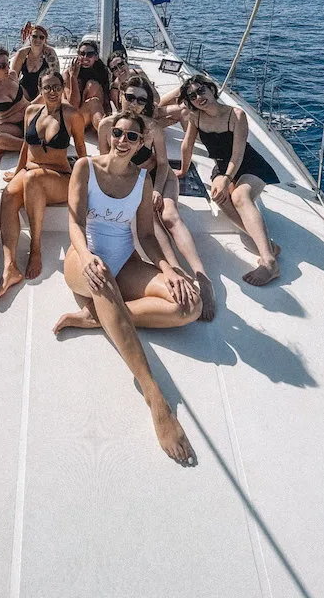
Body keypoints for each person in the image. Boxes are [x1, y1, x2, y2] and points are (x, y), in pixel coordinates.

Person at [54, 112, 202, 463]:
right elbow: (74, 221)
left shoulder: (143, 180)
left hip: (125, 262)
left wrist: (169, 270)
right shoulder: (86, 168)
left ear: (142, 143)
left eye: (131, 137)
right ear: (110, 134)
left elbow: (148, 235)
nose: (122, 141)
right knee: (101, 274)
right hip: (85, 258)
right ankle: (155, 397)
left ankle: (99, 317)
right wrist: (87, 255)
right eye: (118, 133)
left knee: (189, 306)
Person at [99, 77, 216, 320]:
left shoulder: (152, 128)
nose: (134, 104)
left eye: (141, 100)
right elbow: (106, 161)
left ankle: (203, 278)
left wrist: (156, 189)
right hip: (133, 180)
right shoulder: (107, 125)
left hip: (159, 177)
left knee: (170, 215)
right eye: (130, 97)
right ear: (120, 95)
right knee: (151, 217)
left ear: (146, 104)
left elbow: (162, 164)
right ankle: (177, 272)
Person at [177, 74, 281, 286]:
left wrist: (226, 178)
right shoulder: (195, 117)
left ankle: (269, 262)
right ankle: (266, 245)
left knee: (240, 196)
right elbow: (187, 145)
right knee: (220, 198)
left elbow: (238, 154)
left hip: (250, 165)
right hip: (223, 166)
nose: (198, 97)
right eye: (192, 95)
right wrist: (183, 170)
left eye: (201, 90)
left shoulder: (236, 115)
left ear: (211, 89)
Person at [0, 69, 86, 300]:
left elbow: (82, 153)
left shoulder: (72, 115)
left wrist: (85, 187)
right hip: (30, 172)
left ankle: (35, 249)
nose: (52, 91)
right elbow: (26, 147)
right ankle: (9, 266)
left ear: (63, 88)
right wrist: (16, 173)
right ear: (40, 90)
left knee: (33, 179)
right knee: (8, 195)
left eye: (56, 86)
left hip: (60, 177)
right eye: (47, 87)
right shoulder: (31, 111)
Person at [63, 37, 111, 131]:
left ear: (96, 57)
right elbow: (73, 106)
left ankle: (101, 126)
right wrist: (73, 77)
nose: (85, 57)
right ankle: (104, 131)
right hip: (73, 118)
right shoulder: (68, 74)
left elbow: (106, 100)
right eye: (82, 54)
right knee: (93, 97)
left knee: (93, 86)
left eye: (89, 54)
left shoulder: (102, 72)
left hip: (91, 116)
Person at [12, 22, 60, 101]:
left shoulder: (50, 53)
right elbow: (13, 77)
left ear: (45, 40)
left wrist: (39, 97)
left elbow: (55, 77)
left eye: (41, 37)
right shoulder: (22, 53)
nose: (38, 39)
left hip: (44, 91)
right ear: (29, 37)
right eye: (34, 36)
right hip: (23, 91)